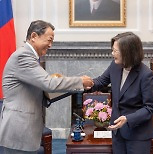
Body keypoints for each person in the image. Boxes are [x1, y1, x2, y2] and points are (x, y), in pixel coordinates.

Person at [0, 20, 93, 153]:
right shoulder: (23, 56)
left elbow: (41, 88)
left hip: (25, 131)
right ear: (34, 36)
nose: (50, 45)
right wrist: (80, 81)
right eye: (49, 40)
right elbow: (48, 83)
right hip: (19, 132)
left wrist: (73, 88)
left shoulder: (30, 57)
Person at [90, 32, 153, 154]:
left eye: (115, 51)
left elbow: (150, 107)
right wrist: (79, 83)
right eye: (112, 50)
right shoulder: (115, 66)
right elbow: (100, 81)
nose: (112, 54)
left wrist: (128, 119)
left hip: (137, 135)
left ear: (128, 52)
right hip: (117, 131)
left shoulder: (146, 75)